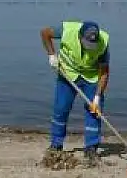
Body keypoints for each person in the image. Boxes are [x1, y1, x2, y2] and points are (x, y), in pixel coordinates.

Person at [39, 20, 110, 166]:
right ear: (79, 36)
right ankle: (56, 145)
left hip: (91, 77)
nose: (90, 47)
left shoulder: (103, 42)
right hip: (67, 73)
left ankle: (91, 147)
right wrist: (51, 55)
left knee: (94, 111)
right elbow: (45, 33)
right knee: (61, 109)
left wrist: (97, 97)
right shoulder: (67, 31)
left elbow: (104, 72)